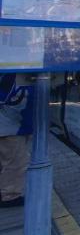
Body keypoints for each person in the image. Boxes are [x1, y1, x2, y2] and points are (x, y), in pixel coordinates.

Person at [0, 74, 32, 208]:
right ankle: (10, 196)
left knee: (7, 161)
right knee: (15, 161)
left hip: (11, 126)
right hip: (11, 127)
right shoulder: (12, 75)